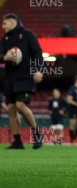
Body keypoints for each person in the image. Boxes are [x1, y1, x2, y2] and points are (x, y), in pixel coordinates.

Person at [1, 13, 44, 149]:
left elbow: (38, 52)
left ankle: (37, 133)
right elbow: (0, 55)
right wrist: (4, 57)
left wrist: (38, 70)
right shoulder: (5, 38)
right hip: (10, 78)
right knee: (11, 108)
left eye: (4, 23)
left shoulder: (28, 35)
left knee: (20, 105)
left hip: (25, 77)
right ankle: (17, 140)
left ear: (12, 22)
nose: (2, 27)